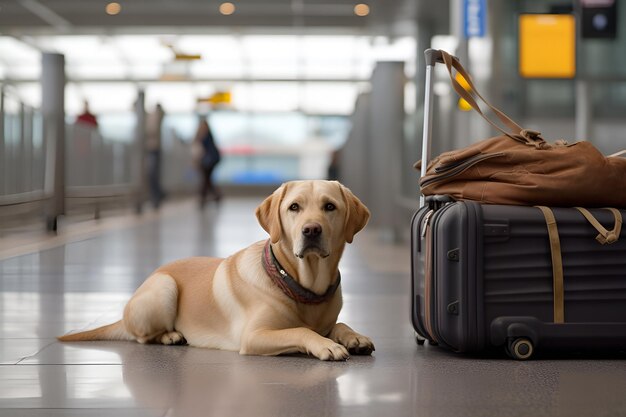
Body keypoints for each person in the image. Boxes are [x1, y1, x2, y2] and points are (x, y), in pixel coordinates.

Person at [192, 115, 222, 208]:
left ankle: (204, 197)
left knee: (206, 179)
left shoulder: (206, 136)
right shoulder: (207, 135)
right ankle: (215, 196)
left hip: (210, 161)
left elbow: (202, 150)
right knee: (207, 180)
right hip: (209, 161)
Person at [145, 103, 166, 209]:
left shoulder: (155, 117)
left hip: (153, 149)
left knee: (153, 174)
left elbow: (151, 130)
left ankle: (157, 195)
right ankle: (157, 195)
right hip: (151, 149)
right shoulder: (150, 116)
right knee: (152, 174)